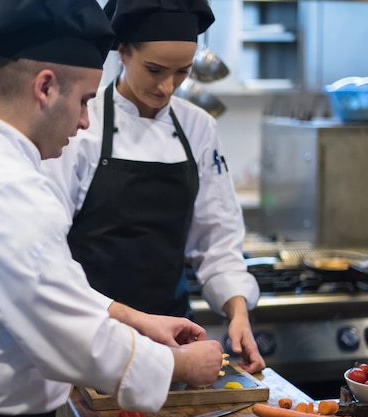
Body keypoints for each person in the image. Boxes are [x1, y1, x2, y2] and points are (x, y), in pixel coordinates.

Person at [0, 1, 226, 417]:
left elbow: (45, 287)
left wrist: (136, 319)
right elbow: (71, 332)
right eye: (82, 101)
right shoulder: (8, 189)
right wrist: (180, 365)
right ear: (45, 87)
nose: (81, 122)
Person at [42, 0, 266, 374]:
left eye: (182, 72)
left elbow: (218, 239)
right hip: (91, 339)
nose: (167, 86)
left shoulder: (198, 127)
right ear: (123, 51)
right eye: (155, 69)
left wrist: (238, 312)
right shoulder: (83, 124)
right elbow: (49, 248)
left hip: (175, 339)